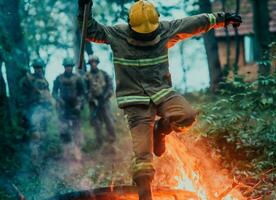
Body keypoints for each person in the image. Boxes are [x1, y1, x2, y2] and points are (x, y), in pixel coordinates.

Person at [77, 0, 242, 199]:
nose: (146, 36)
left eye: (149, 32)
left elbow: (194, 23)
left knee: (187, 116)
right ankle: (145, 196)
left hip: (162, 93)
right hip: (135, 103)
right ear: (130, 25)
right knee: (143, 160)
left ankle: (160, 130)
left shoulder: (165, 30)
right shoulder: (116, 34)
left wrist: (222, 19)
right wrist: (83, 7)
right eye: (141, 33)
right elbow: (90, 31)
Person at [19, 58, 53, 162]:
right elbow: (22, 96)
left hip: (43, 111)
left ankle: (42, 157)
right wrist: (26, 110)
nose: (38, 70)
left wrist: (49, 109)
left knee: (43, 134)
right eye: (36, 68)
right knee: (35, 135)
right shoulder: (27, 79)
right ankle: (34, 160)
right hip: (32, 111)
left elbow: (47, 96)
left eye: (40, 68)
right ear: (34, 69)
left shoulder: (44, 81)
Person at [52, 57, 85, 161]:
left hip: (74, 107)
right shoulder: (59, 78)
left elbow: (83, 93)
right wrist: (58, 99)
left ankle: (77, 151)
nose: (68, 68)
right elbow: (54, 92)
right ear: (64, 67)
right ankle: (66, 151)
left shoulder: (78, 78)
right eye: (67, 66)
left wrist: (79, 104)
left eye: (70, 66)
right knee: (63, 129)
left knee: (76, 130)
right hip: (63, 108)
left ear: (72, 67)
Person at [85, 55, 116, 146]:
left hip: (104, 101)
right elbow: (84, 90)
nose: (93, 64)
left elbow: (110, 87)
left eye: (95, 62)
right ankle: (99, 142)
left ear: (97, 63)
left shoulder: (104, 74)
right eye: (91, 63)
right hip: (93, 103)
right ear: (89, 64)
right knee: (96, 123)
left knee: (109, 121)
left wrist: (105, 96)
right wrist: (91, 98)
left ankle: (112, 141)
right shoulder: (86, 76)